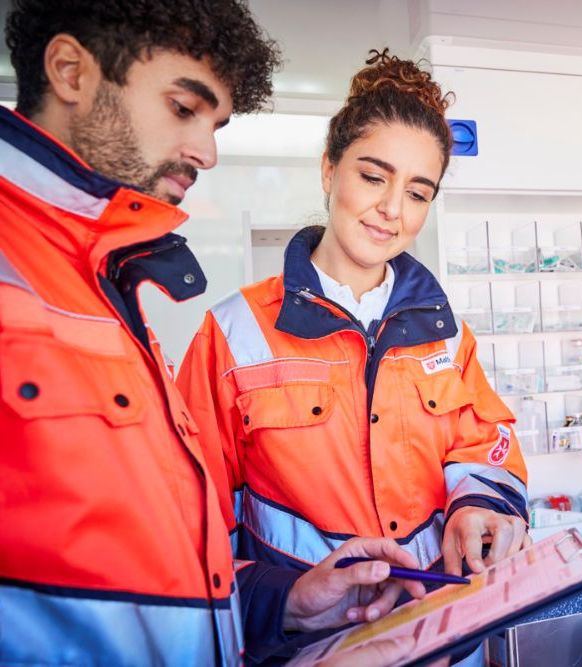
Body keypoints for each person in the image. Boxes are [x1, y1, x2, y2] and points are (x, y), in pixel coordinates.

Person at [0, 3, 424, 665]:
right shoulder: (222, 326)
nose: (207, 151)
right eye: (182, 108)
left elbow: (175, 563)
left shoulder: (107, 284)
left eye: (216, 124)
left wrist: (287, 601)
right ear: (69, 71)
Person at [177, 50, 530, 598]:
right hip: (310, 645)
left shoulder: (447, 333)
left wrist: (479, 505)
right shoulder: (233, 333)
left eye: (417, 193)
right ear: (329, 169)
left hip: (441, 630)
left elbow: (484, 442)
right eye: (372, 177)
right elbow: (190, 521)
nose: (392, 208)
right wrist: (278, 603)